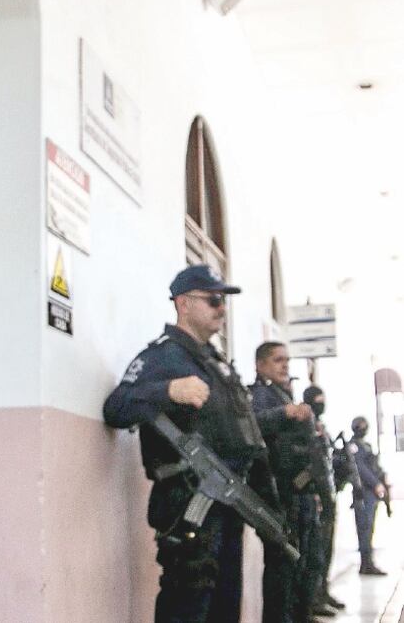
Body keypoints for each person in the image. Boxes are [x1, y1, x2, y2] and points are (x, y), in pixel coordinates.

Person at [104, 265, 276, 623]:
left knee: (225, 607)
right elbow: (117, 408)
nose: (221, 309)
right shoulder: (163, 356)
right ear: (183, 304)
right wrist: (167, 390)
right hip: (187, 501)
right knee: (188, 604)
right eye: (213, 300)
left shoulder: (216, 364)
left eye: (223, 301)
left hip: (229, 502)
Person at [250, 343, 332, 622]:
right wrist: (284, 413)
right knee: (283, 567)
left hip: (301, 494)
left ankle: (301, 615)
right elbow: (253, 425)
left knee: (306, 562)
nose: (284, 365)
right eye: (277, 360)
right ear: (260, 366)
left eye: (287, 360)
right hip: (280, 494)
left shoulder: (282, 394)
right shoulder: (260, 395)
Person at [302, 386, 345, 612]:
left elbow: (326, 461)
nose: (322, 403)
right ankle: (313, 599)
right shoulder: (305, 425)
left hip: (328, 494)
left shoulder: (322, 427)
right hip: (316, 495)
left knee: (325, 551)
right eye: (318, 399)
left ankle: (323, 591)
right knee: (315, 553)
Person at [349, 416, 388, 576]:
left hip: (371, 492)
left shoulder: (366, 445)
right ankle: (366, 563)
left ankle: (369, 562)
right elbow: (360, 468)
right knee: (364, 528)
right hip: (363, 492)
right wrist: (375, 483)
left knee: (369, 528)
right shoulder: (353, 446)